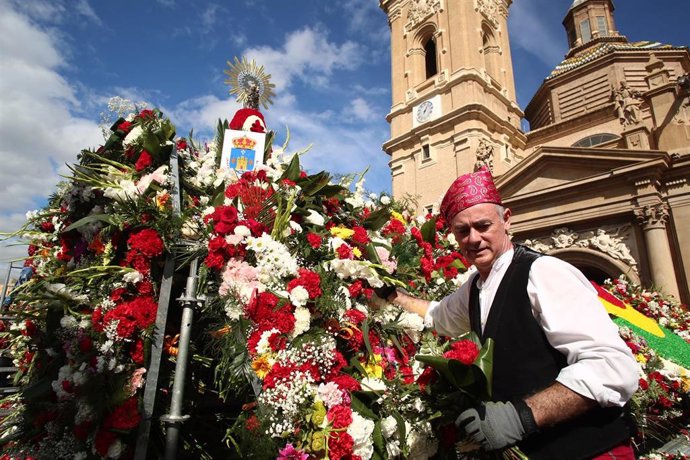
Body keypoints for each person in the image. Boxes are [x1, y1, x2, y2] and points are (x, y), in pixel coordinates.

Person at [381, 168, 639, 459]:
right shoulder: (475, 288)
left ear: (506, 220)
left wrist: (523, 416)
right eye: (462, 231)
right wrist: (389, 294)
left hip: (591, 451)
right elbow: (438, 315)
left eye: (483, 225)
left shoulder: (543, 272)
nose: (474, 238)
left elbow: (613, 366)